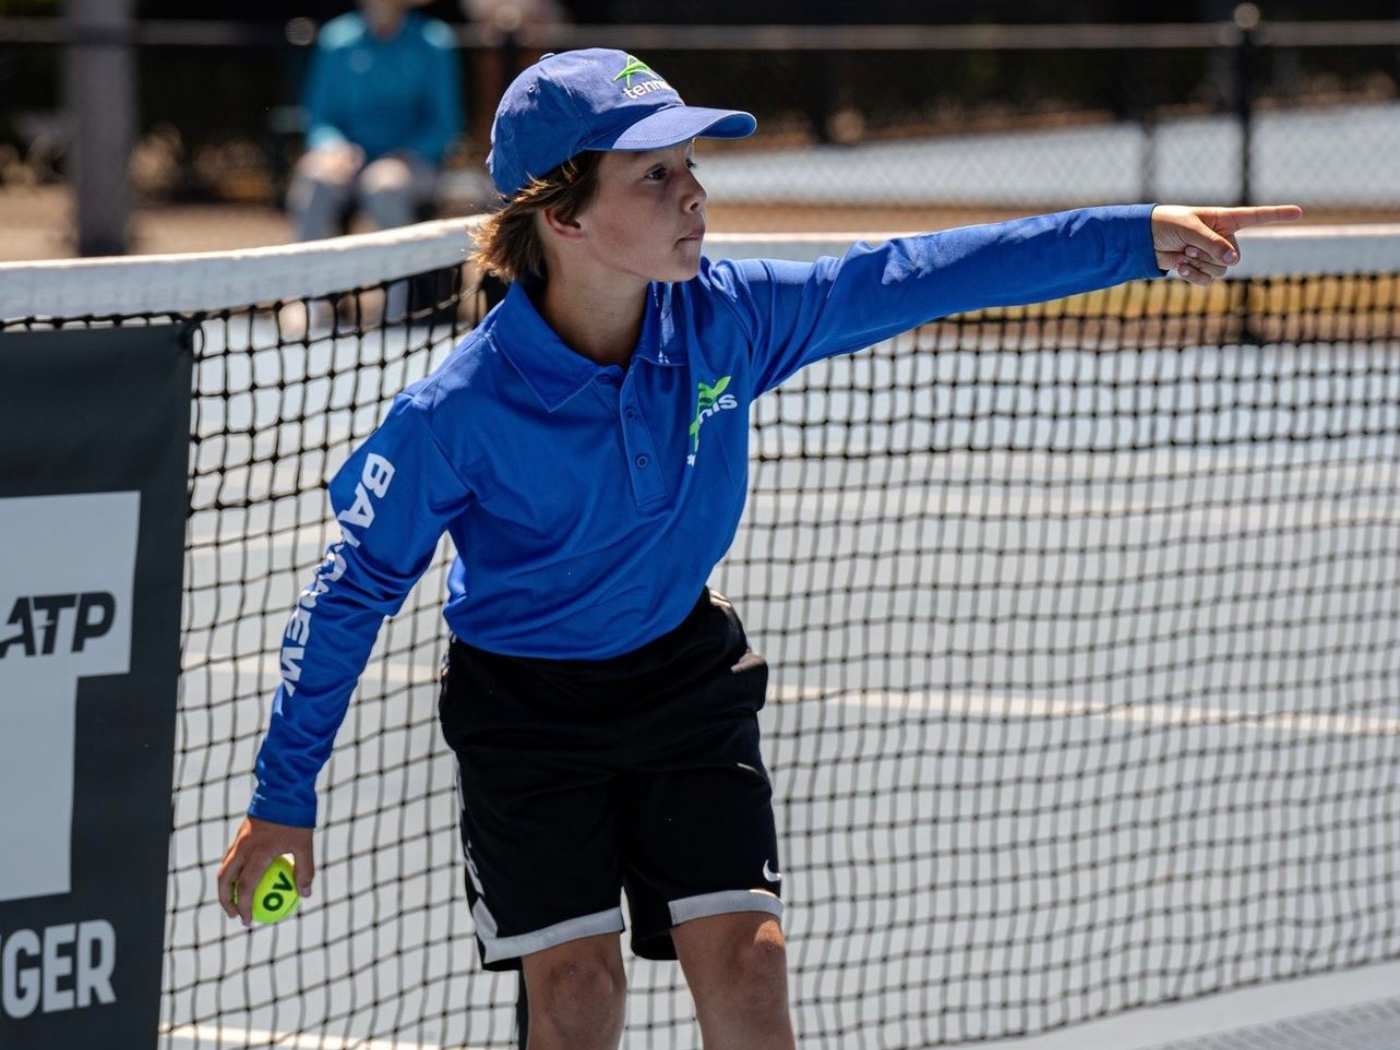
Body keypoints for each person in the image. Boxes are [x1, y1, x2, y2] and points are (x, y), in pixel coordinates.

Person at [219, 48, 1301, 1050]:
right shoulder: (455, 412)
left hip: (682, 679)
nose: (693, 193)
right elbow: (350, 592)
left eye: (689, 166)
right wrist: (284, 794)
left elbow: (912, 274)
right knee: (578, 994)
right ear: (565, 217)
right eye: (653, 176)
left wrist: (1129, 233)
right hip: (524, 715)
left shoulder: (724, 319)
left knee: (748, 968)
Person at [288, 0, 463, 244]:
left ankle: (404, 279)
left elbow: (444, 123)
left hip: (410, 163)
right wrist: (333, 148)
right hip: (347, 159)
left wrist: (407, 155)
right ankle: (306, 277)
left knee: (384, 187)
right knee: (316, 178)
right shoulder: (337, 38)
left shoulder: (434, 41)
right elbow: (320, 117)